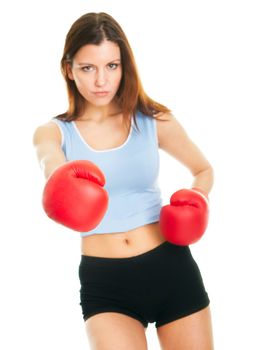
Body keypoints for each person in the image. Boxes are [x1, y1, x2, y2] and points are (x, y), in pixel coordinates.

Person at [33, 12, 214, 349]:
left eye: (111, 66)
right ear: (69, 70)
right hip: (106, 282)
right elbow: (50, 162)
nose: (101, 80)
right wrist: (60, 179)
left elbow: (203, 169)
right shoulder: (53, 132)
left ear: (124, 66)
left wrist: (197, 198)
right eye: (88, 68)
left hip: (170, 267)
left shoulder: (151, 119)